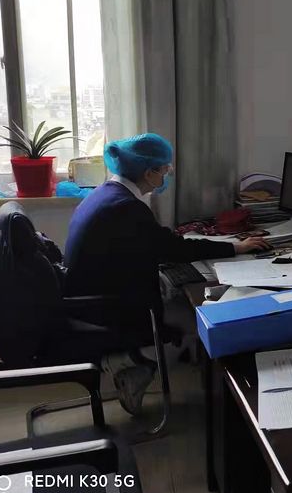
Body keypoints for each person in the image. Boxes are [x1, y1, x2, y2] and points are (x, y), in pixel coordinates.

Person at [64, 133, 270, 414]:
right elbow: (174, 249)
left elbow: (156, 244)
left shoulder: (106, 194)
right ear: (149, 172)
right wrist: (236, 247)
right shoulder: (126, 207)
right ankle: (133, 363)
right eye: (164, 169)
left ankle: (139, 363)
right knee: (197, 316)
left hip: (92, 296)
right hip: (107, 306)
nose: (167, 175)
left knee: (183, 295)